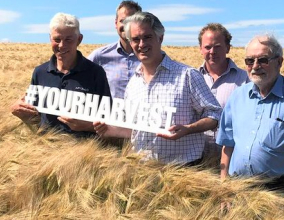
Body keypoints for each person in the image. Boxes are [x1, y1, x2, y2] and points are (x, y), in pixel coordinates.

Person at [216, 34, 284, 220]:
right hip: (238, 192)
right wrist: (224, 189)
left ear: (279, 62)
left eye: (263, 60)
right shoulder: (237, 96)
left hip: (278, 194)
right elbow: (228, 144)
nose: (255, 66)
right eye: (249, 61)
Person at [93, 12, 222, 165]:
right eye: (135, 39)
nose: (141, 45)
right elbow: (135, 130)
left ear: (160, 38)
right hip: (142, 169)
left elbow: (215, 114)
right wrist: (109, 130)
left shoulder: (187, 75)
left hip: (183, 171)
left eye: (147, 37)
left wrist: (188, 129)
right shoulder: (133, 83)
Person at [11, 12, 111, 136]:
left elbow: (109, 121)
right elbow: (36, 119)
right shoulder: (40, 72)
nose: (62, 45)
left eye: (68, 39)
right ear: (50, 38)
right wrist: (20, 112)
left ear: (79, 39)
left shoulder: (95, 72)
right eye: (57, 39)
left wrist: (87, 126)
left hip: (84, 151)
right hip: (46, 150)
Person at [197, 23, 249, 159]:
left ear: (228, 48)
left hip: (232, 155)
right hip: (197, 157)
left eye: (217, 47)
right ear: (200, 49)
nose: (212, 52)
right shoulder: (192, 78)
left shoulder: (245, 80)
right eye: (207, 47)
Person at [87, 0, 142, 99]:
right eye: (123, 21)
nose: (127, 26)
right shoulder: (99, 56)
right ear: (116, 23)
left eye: (132, 21)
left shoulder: (150, 56)